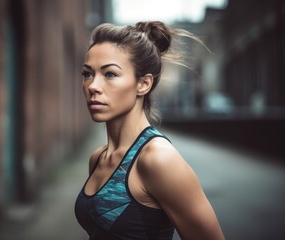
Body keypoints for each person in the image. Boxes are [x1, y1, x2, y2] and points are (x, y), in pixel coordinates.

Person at [74, 21, 225, 240]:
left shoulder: (158, 159)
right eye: (88, 74)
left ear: (143, 84)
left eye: (110, 74)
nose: (92, 86)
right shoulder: (98, 158)